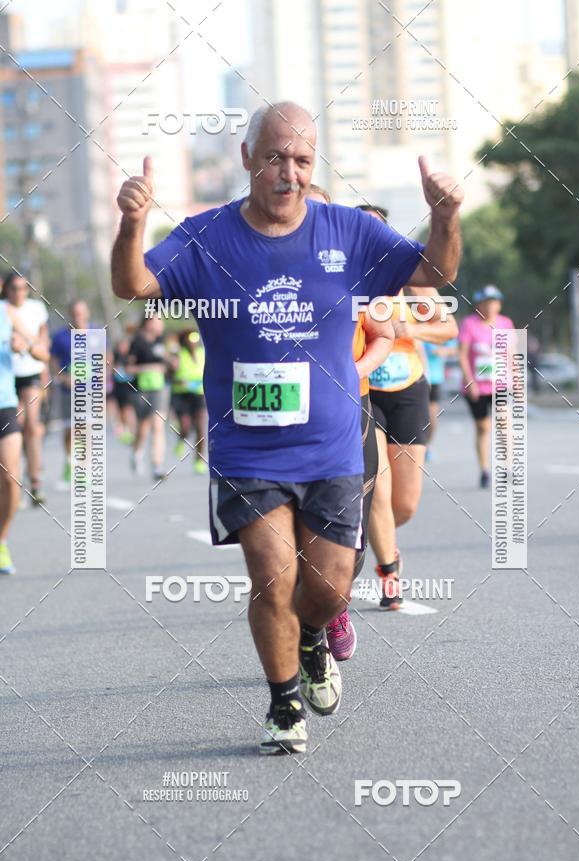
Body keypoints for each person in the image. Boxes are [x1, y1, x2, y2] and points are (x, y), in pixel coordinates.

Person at [111, 101, 463, 754]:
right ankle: (282, 705)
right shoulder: (206, 237)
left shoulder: (350, 231)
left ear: (314, 163)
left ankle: (312, 638)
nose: (288, 172)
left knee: (327, 588)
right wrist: (132, 224)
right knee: (272, 575)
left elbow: (435, 272)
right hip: (248, 446)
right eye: (275, 157)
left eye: (301, 159)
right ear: (248, 156)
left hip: (330, 445)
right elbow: (133, 284)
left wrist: (445, 217)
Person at [307, 185, 394, 660]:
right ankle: (306, 628)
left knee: (350, 523)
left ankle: (335, 604)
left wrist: (353, 370)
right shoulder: (257, 269)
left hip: (347, 408)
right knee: (286, 528)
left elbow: (383, 336)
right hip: (283, 417)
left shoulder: (356, 273)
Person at [368, 285, 458, 607]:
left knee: (404, 505)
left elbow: (449, 328)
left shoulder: (413, 283)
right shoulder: (353, 277)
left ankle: (379, 539)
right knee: (378, 488)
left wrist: (411, 329)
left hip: (407, 392)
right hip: (364, 391)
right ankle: (388, 573)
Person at [0, 300, 48, 573]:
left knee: (10, 477)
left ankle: (1, 541)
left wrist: (26, 346)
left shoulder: (7, 313)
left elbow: (42, 352)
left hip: (4, 404)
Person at [458, 285, 514, 487]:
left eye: (494, 303)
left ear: (499, 305)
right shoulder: (469, 324)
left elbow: (511, 354)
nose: (490, 307)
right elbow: (462, 355)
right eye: (486, 303)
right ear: (478, 305)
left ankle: (507, 467)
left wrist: (517, 380)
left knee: (504, 423)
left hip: (500, 383)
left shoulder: (505, 323)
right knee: (483, 427)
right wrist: (470, 381)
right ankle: (484, 470)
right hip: (476, 387)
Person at [1, 273, 50, 504]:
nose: (18, 292)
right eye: (14, 288)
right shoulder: (4, 309)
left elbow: (42, 347)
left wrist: (27, 346)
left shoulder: (35, 309)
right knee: (15, 429)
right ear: (6, 289)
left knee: (32, 426)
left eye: (23, 288)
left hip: (30, 373)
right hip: (8, 378)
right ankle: (14, 481)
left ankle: (35, 480)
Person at [127, 313, 173, 480]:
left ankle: (157, 466)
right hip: (141, 389)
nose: (160, 324)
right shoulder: (137, 342)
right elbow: (128, 368)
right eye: (157, 320)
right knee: (143, 428)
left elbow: (169, 363)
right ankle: (136, 452)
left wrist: (171, 362)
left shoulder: (163, 340)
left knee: (158, 426)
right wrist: (149, 368)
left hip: (160, 388)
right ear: (147, 323)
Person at [50, 300, 91, 483]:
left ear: (87, 313)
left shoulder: (96, 333)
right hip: (69, 390)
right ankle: (69, 460)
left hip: (90, 390)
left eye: (81, 313)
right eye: (74, 313)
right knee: (71, 430)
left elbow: (107, 358)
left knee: (86, 429)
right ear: (69, 314)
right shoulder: (60, 337)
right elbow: (52, 361)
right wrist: (63, 377)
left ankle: (83, 470)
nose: (78, 317)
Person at [171, 329, 208, 474]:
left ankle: (199, 461)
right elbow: (170, 375)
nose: (193, 342)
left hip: (198, 395)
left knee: (200, 427)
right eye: (190, 339)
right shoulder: (179, 354)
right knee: (185, 426)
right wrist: (174, 371)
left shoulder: (203, 353)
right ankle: (182, 438)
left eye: (196, 338)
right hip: (182, 394)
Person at [423, 336, 458, 458]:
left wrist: (444, 351)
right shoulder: (415, 327)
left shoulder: (439, 328)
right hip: (415, 378)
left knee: (432, 417)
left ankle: (426, 445)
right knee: (416, 415)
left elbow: (455, 348)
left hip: (434, 379)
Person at [108, 333, 137, 444]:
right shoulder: (115, 355)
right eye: (121, 345)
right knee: (120, 409)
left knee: (128, 409)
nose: (123, 347)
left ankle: (131, 431)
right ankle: (123, 428)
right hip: (118, 387)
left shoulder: (131, 355)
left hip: (129, 386)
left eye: (125, 345)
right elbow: (110, 368)